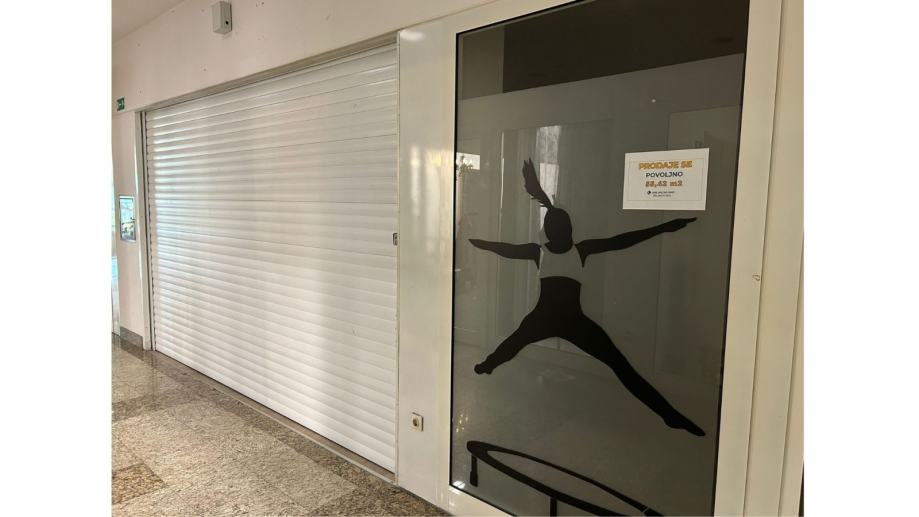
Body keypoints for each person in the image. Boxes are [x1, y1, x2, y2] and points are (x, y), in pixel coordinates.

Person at [468, 158, 704, 436]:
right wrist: (479, 243)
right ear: (562, 231)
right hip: (557, 319)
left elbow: (622, 240)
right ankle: (488, 365)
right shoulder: (553, 251)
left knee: (616, 364)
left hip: (567, 321)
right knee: (513, 346)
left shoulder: (564, 250)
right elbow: (506, 249)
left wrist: (663, 228)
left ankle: (668, 414)